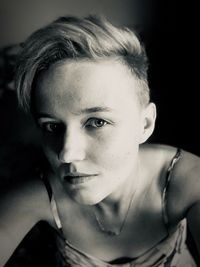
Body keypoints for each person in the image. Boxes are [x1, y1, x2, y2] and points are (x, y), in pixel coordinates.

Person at [0, 15, 200, 267]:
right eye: (52, 126)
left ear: (145, 124)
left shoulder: (187, 179)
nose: (67, 154)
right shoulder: (40, 195)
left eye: (97, 122)